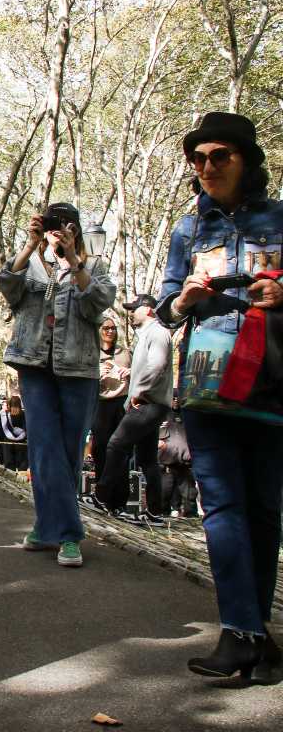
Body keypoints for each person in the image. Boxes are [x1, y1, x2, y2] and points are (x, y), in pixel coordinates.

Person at [156, 112, 283, 681]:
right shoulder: (188, 230)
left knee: (263, 508)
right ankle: (240, 632)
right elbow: (163, 309)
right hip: (205, 383)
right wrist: (182, 301)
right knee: (223, 509)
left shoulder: (279, 218)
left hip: (270, 380)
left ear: (245, 161)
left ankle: (256, 638)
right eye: (199, 158)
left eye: (220, 156)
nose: (207, 167)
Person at [0, 201, 116, 568]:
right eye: (50, 223)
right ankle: (69, 534)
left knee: (68, 451)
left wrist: (73, 263)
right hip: (34, 366)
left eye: (63, 224)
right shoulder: (31, 263)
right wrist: (30, 245)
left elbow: (98, 304)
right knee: (44, 447)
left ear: (74, 229)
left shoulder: (92, 266)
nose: (55, 230)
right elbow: (7, 287)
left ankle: (46, 526)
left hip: (78, 369)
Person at [93, 294, 172, 525]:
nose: (131, 313)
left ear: (147, 310)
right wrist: (131, 374)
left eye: (134, 309)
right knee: (147, 459)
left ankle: (101, 497)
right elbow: (150, 366)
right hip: (151, 403)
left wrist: (138, 391)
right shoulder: (147, 335)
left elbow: (157, 366)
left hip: (147, 403)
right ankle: (155, 513)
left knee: (116, 445)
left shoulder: (157, 332)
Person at [91, 313, 131, 483]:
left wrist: (130, 372)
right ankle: (102, 488)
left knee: (121, 447)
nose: (110, 331)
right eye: (106, 328)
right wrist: (97, 374)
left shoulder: (125, 353)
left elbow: (138, 376)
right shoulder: (92, 353)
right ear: (99, 330)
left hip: (122, 403)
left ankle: (121, 491)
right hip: (100, 404)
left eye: (113, 328)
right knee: (100, 447)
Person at [158, 393, 195, 518]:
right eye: (173, 398)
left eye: (177, 398)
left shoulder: (187, 415)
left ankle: (190, 515)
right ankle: (162, 515)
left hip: (185, 462)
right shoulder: (161, 413)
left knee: (189, 494)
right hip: (166, 462)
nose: (175, 401)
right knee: (164, 493)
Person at [1, 395, 28, 470]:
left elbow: (3, 429)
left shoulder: (6, 414)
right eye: (14, 406)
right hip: (17, 444)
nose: (15, 409)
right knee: (19, 467)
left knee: (13, 467)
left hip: (12, 444)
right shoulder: (23, 414)